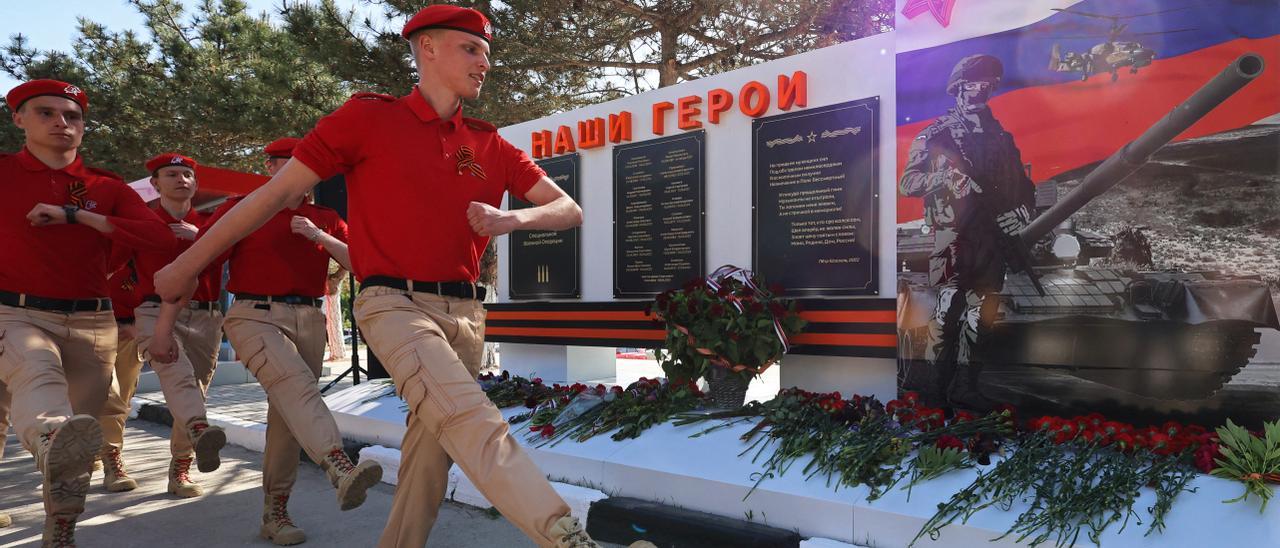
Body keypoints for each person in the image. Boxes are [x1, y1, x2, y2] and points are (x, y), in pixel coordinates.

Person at [151, 6, 651, 548]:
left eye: (487, 52)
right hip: (394, 305)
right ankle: (564, 535)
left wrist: (512, 218)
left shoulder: (490, 144)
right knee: (469, 415)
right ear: (427, 48)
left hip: (465, 314)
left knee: (428, 455)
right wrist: (185, 264)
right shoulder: (366, 119)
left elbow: (567, 208)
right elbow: (271, 195)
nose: (485, 62)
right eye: (472, 49)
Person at [0, 79, 174, 546]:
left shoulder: (106, 186)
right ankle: (46, 436)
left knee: (81, 437)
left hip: (94, 323)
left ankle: (60, 531)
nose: (61, 122)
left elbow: (160, 238)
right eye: (46, 113)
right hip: (14, 313)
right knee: (40, 378)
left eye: (72, 115)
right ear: (18, 119)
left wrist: (79, 216)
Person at [212, 137, 375, 545]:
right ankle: (337, 464)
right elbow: (203, 256)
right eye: (288, 164)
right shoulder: (243, 208)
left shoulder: (324, 216)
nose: (300, 173)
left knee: (286, 418)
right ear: (269, 168)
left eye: (310, 166)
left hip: (308, 317)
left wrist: (321, 236)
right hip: (254, 314)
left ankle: (275, 512)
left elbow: (362, 265)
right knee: (296, 386)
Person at [898, 54, 1037, 409]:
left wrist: (1021, 211)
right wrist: (944, 177)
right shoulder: (936, 134)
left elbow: (1024, 186)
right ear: (958, 88)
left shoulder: (1001, 137)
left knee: (982, 314)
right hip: (953, 237)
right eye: (975, 83)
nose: (982, 89)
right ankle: (932, 391)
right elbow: (907, 182)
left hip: (993, 238)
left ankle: (965, 388)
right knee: (946, 311)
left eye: (988, 84)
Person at [99, 153, 229, 498]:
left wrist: (199, 237)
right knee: (141, 388)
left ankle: (180, 469)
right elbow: (108, 270)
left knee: (193, 393)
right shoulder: (140, 223)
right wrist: (121, 317)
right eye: (171, 174)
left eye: (187, 174)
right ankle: (112, 459)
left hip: (205, 316)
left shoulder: (213, 223)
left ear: (196, 184)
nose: (181, 180)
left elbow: (229, 259)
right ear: (155, 184)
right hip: (149, 315)